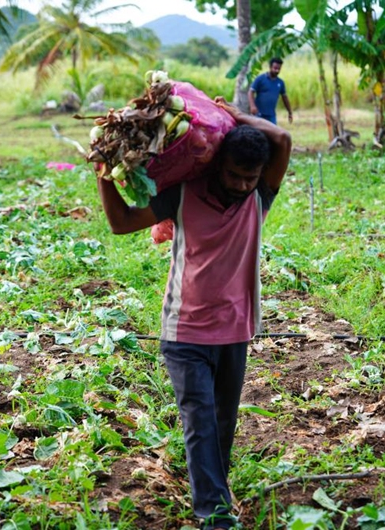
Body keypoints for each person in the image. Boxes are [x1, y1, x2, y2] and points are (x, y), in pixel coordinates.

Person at [96, 98, 291, 530]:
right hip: (184, 332)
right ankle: (215, 515)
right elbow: (121, 222)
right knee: (200, 423)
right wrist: (104, 175)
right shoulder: (183, 195)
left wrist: (224, 116)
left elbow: (282, 138)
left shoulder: (259, 199)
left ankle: (216, 490)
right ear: (217, 165)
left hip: (235, 330)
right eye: (235, 175)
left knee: (222, 424)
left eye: (250, 178)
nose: (241, 185)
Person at [248, 57, 293, 125]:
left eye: (279, 69)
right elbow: (251, 92)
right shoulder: (260, 79)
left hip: (271, 116)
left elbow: (284, 97)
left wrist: (289, 112)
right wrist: (252, 106)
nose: (277, 71)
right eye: (275, 68)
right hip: (259, 114)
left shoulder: (280, 82)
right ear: (270, 67)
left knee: (273, 134)